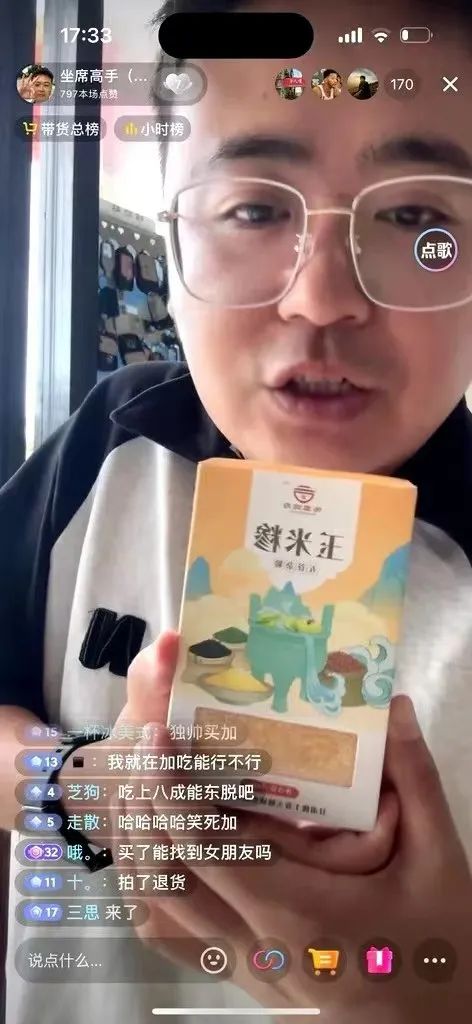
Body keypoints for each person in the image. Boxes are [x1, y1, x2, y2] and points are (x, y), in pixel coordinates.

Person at [2, 0, 472, 1022]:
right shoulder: (108, 448)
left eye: (415, 217)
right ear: (171, 243)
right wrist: (80, 788)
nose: (321, 297)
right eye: (255, 211)